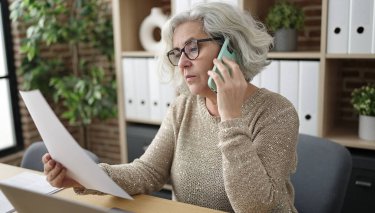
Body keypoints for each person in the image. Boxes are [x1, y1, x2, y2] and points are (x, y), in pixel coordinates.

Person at [43, 2, 299, 212]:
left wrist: (230, 118)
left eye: (192, 48)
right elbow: (148, 172)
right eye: (178, 53)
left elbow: (254, 207)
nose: (182, 63)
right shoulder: (184, 106)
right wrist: (84, 176)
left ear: (230, 48)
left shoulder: (277, 112)